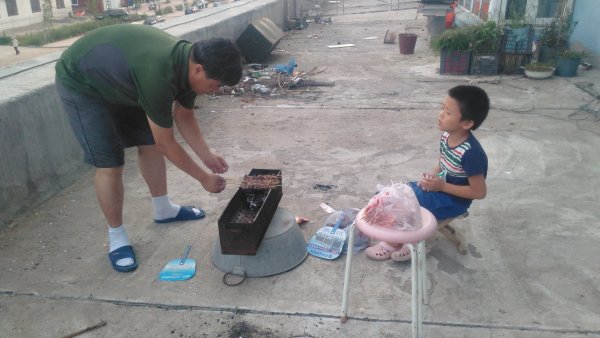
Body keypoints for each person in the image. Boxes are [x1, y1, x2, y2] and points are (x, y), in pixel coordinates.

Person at [55, 25, 243, 272]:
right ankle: (117, 237)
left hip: (125, 81)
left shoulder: (190, 67)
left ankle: (163, 209)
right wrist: (203, 178)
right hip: (83, 83)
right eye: (216, 85)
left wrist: (206, 155)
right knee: (110, 163)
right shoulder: (159, 74)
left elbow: (184, 114)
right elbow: (168, 143)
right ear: (199, 69)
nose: (215, 91)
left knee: (150, 144)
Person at [366, 85, 489, 261]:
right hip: (441, 188)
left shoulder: (471, 153)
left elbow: (479, 192)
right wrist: (432, 177)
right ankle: (399, 237)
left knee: (407, 204)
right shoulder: (447, 136)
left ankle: (407, 243)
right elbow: (442, 163)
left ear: (467, 123)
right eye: (442, 108)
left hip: (454, 200)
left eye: (448, 112)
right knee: (396, 194)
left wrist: (442, 186)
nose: (441, 114)